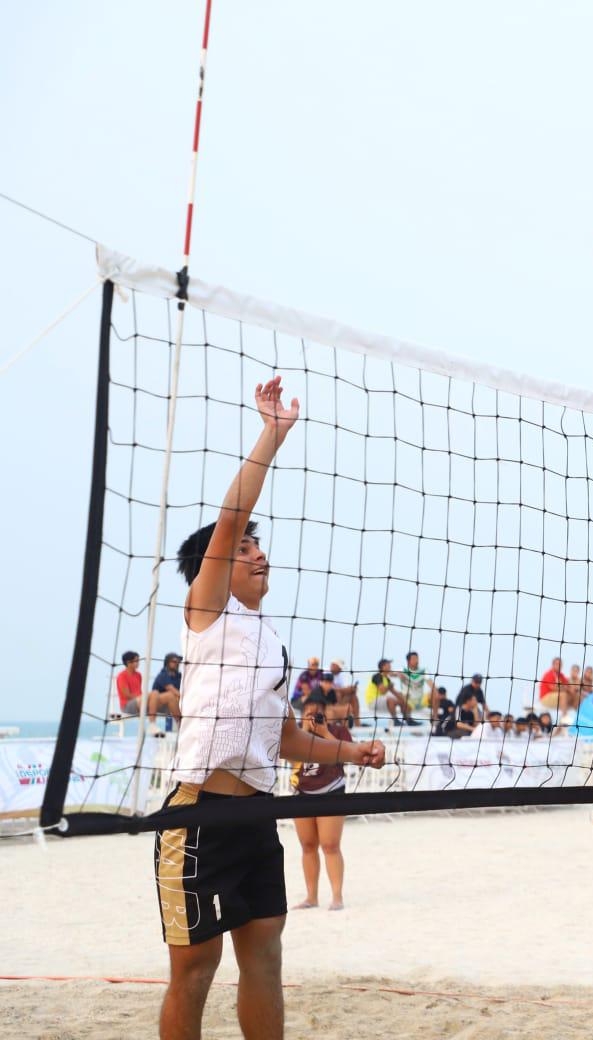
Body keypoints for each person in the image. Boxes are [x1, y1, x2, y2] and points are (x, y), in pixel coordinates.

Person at [157, 376, 385, 1039]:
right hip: (199, 814)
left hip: (258, 812)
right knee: (195, 971)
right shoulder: (207, 611)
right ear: (215, 567)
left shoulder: (270, 639)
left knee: (264, 960)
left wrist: (350, 751)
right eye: (244, 549)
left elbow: (282, 737)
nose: (258, 553)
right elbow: (230, 518)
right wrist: (273, 433)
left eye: (259, 546)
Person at [291, 691, 353, 910]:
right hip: (302, 792)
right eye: (308, 712)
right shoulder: (298, 735)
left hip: (331, 791)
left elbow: (347, 755)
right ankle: (311, 897)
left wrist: (324, 732)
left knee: (330, 845)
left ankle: (337, 896)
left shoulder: (338, 731)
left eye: (316, 712)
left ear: (326, 712)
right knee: (307, 846)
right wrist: (304, 733)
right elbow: (291, 760)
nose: (312, 716)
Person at [116, 650, 177, 732]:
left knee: (169, 696)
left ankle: (179, 723)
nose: (138, 663)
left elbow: (139, 692)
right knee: (154, 693)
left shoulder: (138, 675)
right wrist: (144, 696)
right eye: (136, 661)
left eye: (138, 661)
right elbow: (127, 695)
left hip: (139, 701)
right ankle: (152, 724)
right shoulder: (122, 676)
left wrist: (145, 697)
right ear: (128, 662)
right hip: (127, 705)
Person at [365, 658, 419, 727]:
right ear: (383, 667)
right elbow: (382, 690)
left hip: (381, 702)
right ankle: (395, 721)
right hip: (372, 702)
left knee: (401, 699)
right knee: (391, 699)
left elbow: (395, 692)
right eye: (388, 665)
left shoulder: (387, 679)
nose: (390, 666)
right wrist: (391, 684)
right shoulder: (377, 676)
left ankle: (409, 720)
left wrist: (405, 701)